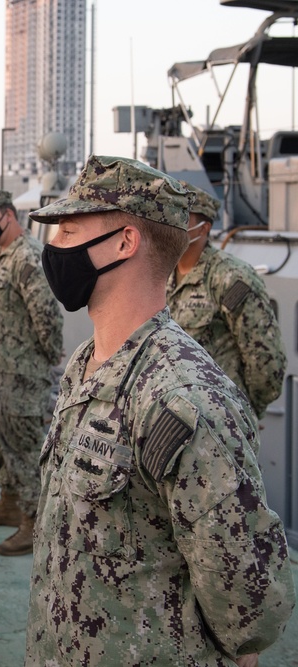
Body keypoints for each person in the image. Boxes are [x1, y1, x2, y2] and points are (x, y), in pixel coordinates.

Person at [25, 155, 295, 666]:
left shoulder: (183, 399)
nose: (53, 248)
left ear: (125, 242)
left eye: (69, 230)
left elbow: (246, 602)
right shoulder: (87, 364)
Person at [0, 190, 63, 556]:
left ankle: (33, 520)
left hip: (20, 372)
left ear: (10, 215)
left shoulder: (26, 257)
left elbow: (46, 315)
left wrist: (42, 358)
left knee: (23, 447)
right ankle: (9, 502)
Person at [167, 181, 286, 418]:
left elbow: (266, 360)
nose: (171, 226)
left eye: (182, 219)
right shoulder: (161, 274)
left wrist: (246, 412)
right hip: (174, 416)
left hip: (221, 419)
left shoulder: (230, 277)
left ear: (203, 229)